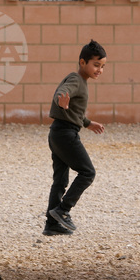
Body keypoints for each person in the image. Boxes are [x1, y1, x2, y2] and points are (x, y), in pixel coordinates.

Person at [43, 39, 106, 236]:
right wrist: (61, 100)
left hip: (57, 132)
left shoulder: (81, 81)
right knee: (88, 172)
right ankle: (63, 211)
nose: (99, 70)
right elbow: (63, 93)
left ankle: (52, 225)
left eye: (102, 66)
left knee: (60, 179)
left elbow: (75, 113)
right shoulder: (75, 80)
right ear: (82, 62)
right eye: (96, 65)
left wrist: (88, 123)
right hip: (65, 134)